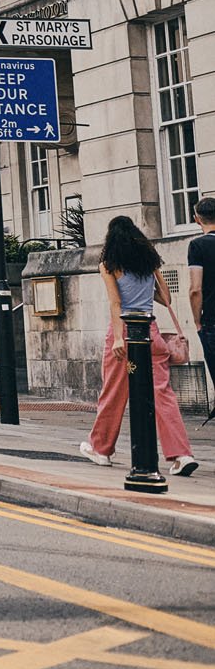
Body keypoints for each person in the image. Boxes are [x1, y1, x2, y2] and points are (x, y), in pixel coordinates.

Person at [79, 215, 196, 475]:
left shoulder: (109, 265)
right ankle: (181, 455)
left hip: (125, 332)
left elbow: (116, 304)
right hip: (150, 332)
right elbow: (165, 298)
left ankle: (101, 449)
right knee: (163, 394)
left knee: (113, 393)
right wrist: (147, 288)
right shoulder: (149, 263)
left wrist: (119, 338)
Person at [187, 197, 215, 377]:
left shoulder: (197, 246)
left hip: (212, 319)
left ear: (197, 219)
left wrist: (197, 321)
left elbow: (195, 289)